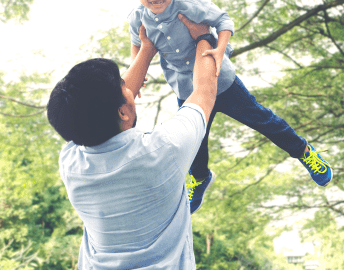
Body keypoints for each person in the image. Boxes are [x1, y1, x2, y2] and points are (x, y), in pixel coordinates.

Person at [124, 0, 333, 215]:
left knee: (264, 120)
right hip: (186, 90)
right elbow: (138, 47)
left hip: (221, 81)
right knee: (194, 143)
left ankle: (304, 151)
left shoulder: (189, 4)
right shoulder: (137, 18)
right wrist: (137, 76)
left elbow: (224, 20)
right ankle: (199, 178)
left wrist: (220, 48)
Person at [47, 18, 218, 269]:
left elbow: (106, 108)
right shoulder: (164, 150)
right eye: (123, 84)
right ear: (123, 112)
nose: (128, 85)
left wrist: (147, 49)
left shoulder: (72, 164)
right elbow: (204, 91)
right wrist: (205, 37)